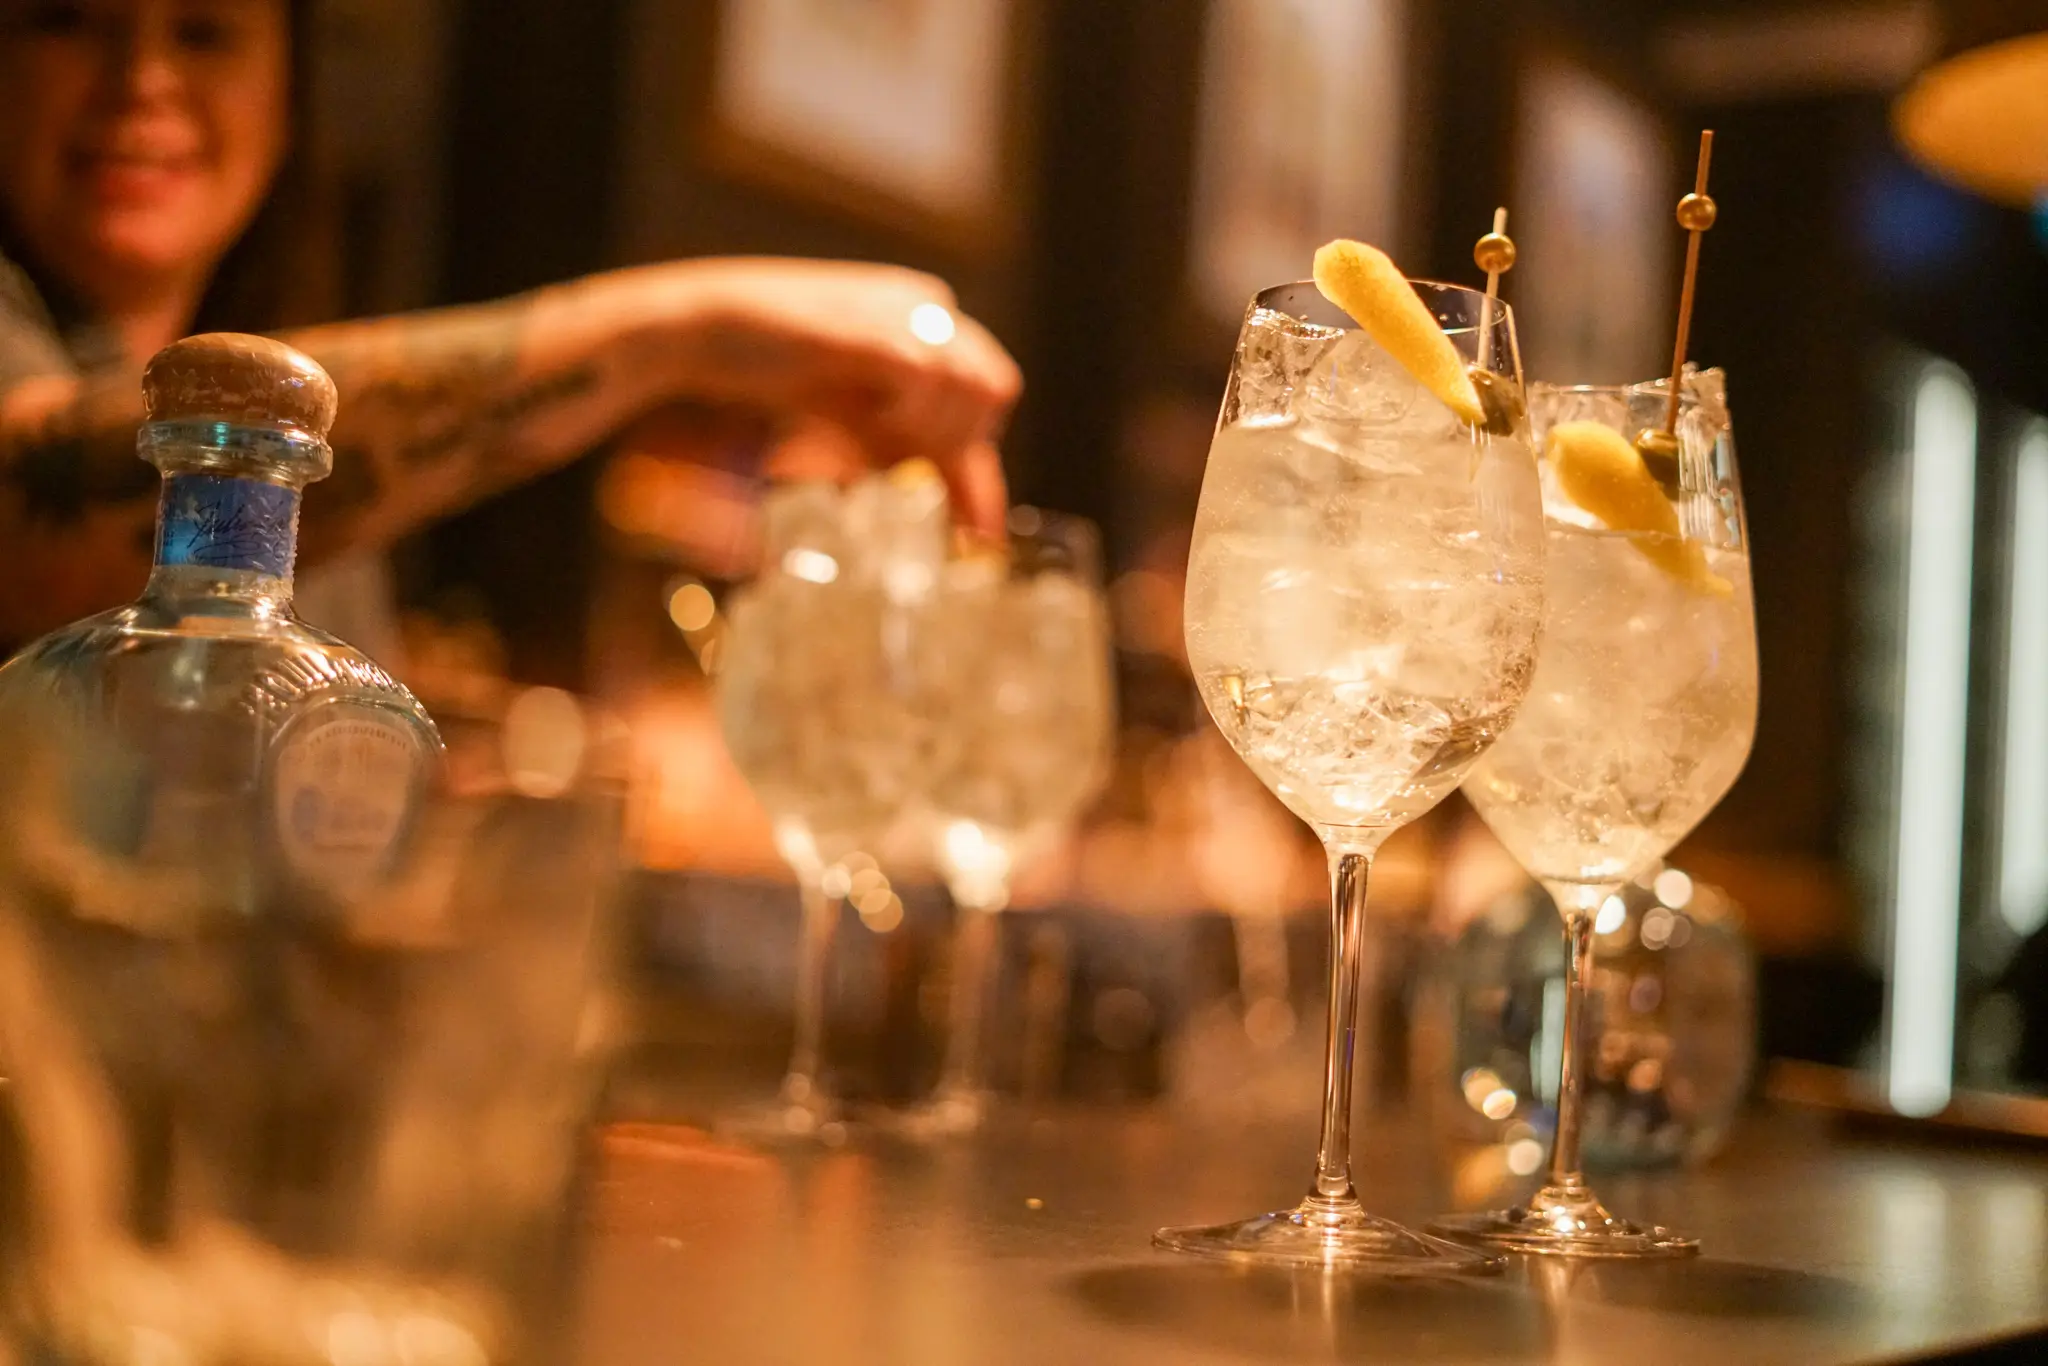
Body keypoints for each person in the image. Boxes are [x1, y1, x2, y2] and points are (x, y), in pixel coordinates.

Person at [0, 0, 1018, 654]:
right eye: (65, 19)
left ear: (288, 91)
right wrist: (687, 332)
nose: (140, 81)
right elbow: (33, 519)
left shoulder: (342, 449)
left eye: (206, 31)